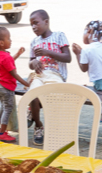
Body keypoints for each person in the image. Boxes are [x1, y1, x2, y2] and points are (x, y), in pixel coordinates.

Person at [26, 9, 70, 146]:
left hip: (55, 75)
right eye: (31, 24)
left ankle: (55, 129)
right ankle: (38, 125)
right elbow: (30, 62)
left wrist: (47, 52)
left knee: (55, 98)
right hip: (39, 75)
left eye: (36, 23)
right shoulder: (34, 42)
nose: (33, 27)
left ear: (46, 22)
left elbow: (68, 57)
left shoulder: (59, 36)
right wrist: (33, 62)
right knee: (33, 94)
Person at [0, 26, 29, 143]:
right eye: (9, 39)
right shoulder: (5, 57)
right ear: (1, 42)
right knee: (8, 108)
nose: (11, 40)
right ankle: (2, 133)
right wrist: (27, 83)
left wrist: (18, 54)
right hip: (6, 87)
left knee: (2, 106)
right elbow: (14, 74)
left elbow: (8, 62)